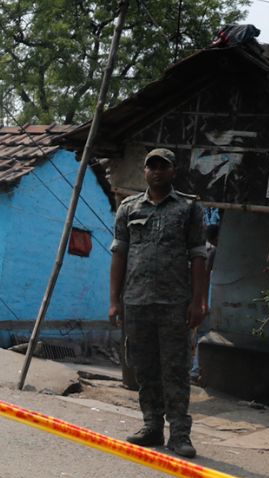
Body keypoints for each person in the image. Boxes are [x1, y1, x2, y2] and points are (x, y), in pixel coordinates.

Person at [109, 148, 209, 459]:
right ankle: (152, 425)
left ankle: (179, 433)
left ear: (173, 171)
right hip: (137, 301)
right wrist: (114, 300)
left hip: (174, 303)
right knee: (144, 367)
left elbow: (198, 256)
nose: (156, 172)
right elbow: (119, 254)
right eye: (151, 166)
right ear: (144, 171)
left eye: (162, 167)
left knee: (175, 369)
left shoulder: (188, 208)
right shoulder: (128, 208)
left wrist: (198, 301)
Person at [189, 221, 218, 385]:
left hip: (188, 298)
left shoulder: (191, 248)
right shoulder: (211, 251)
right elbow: (205, 277)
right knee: (202, 335)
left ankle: (190, 370)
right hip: (200, 300)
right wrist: (204, 303)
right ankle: (194, 372)